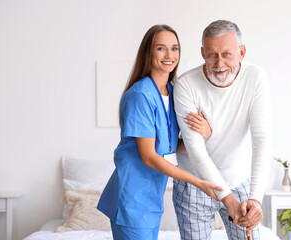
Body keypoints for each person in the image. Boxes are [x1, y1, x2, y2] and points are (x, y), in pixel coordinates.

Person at [97, 24, 222, 240]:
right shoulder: (140, 95)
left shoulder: (173, 92)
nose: (169, 55)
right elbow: (148, 156)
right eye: (161, 48)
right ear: (149, 52)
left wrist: (201, 134)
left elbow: (167, 147)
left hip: (151, 200)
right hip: (132, 200)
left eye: (174, 48)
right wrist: (198, 182)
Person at [172, 20, 272, 240]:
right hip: (194, 185)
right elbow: (195, 150)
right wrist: (228, 200)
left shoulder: (255, 77)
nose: (219, 63)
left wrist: (254, 199)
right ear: (202, 53)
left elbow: (262, 140)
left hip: (238, 180)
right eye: (212, 55)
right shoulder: (186, 85)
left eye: (227, 54)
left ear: (242, 52)